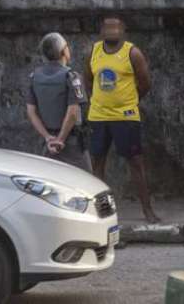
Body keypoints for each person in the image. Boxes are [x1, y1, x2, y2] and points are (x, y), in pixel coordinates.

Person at [84, 15, 160, 223]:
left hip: (125, 117)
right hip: (98, 117)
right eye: (107, 26)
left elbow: (145, 83)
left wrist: (128, 103)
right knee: (97, 164)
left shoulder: (132, 53)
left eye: (115, 27)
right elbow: (88, 79)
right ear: (101, 30)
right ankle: (103, 212)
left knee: (135, 163)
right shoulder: (94, 51)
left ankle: (147, 210)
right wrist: (99, 102)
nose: (111, 30)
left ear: (123, 30)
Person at [26, 32, 92, 172]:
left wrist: (48, 138)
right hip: (71, 142)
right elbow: (73, 113)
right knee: (85, 181)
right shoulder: (72, 77)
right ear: (64, 51)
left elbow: (31, 113)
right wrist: (60, 140)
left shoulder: (34, 77)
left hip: (47, 143)